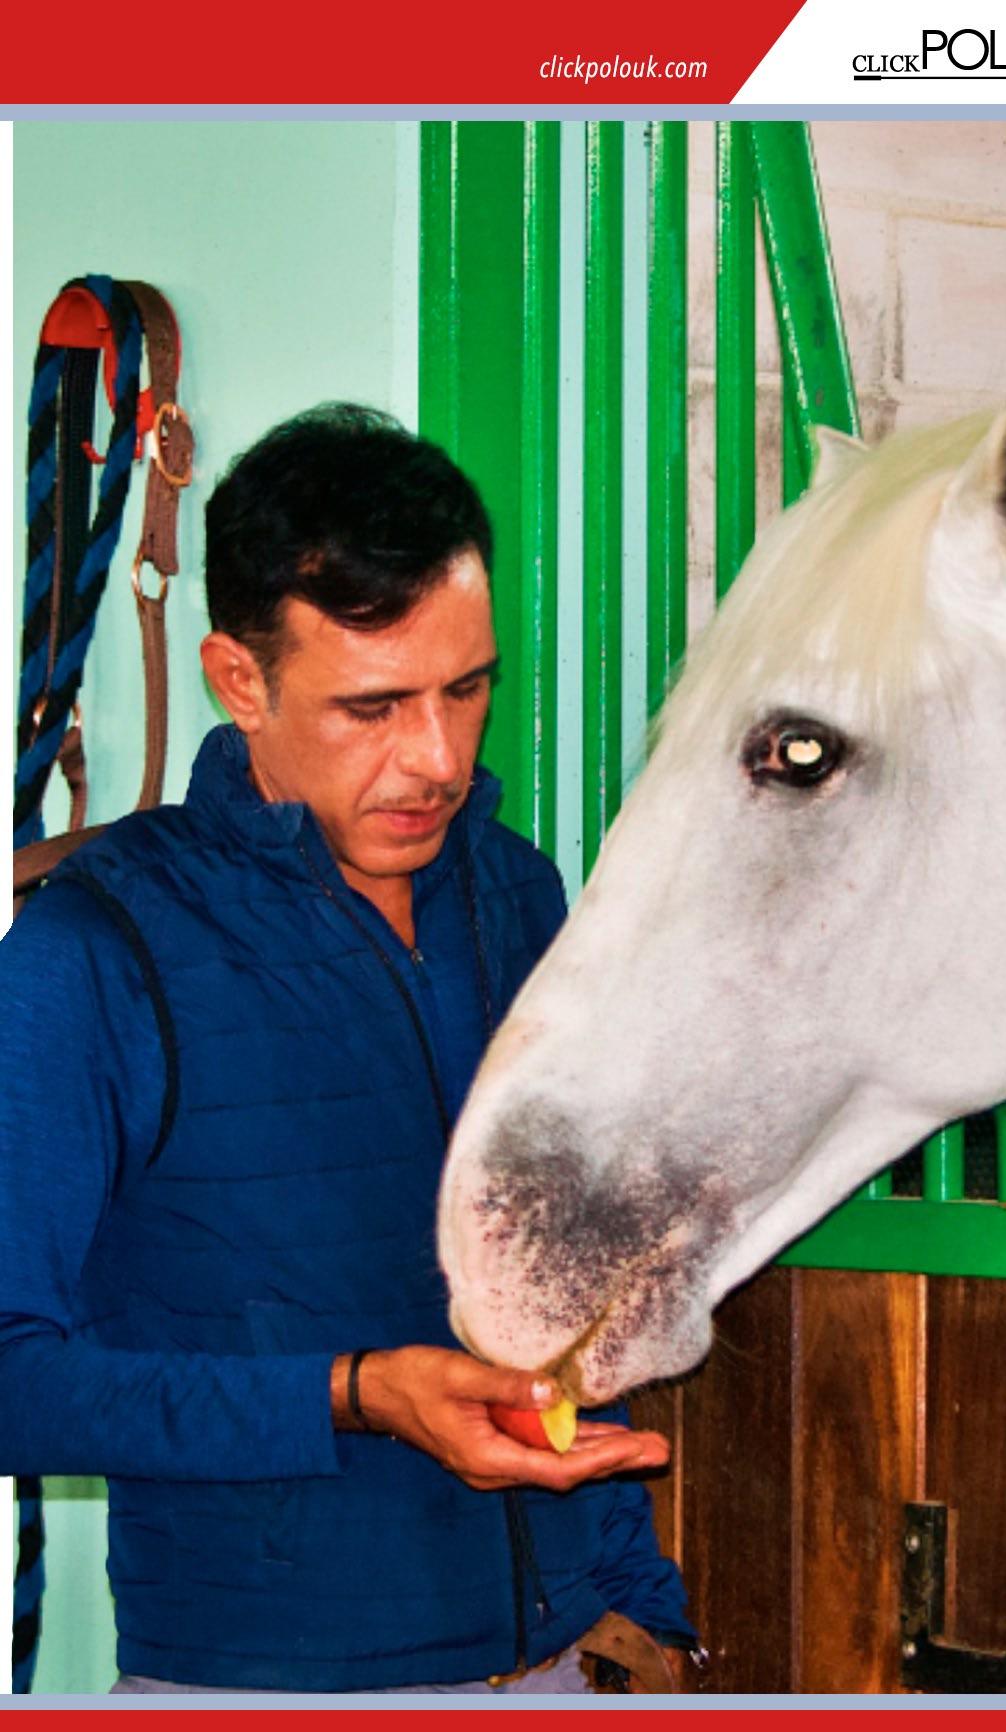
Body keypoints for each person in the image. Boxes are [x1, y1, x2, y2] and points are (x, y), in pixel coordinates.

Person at [0, 405, 696, 1693]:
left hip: (563, 1667)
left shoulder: (517, 894)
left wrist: (639, 1608)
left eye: (466, 688)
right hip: (252, 1687)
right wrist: (353, 1394)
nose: (436, 758)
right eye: (373, 707)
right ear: (239, 680)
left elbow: (561, 1289)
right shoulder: (94, 949)